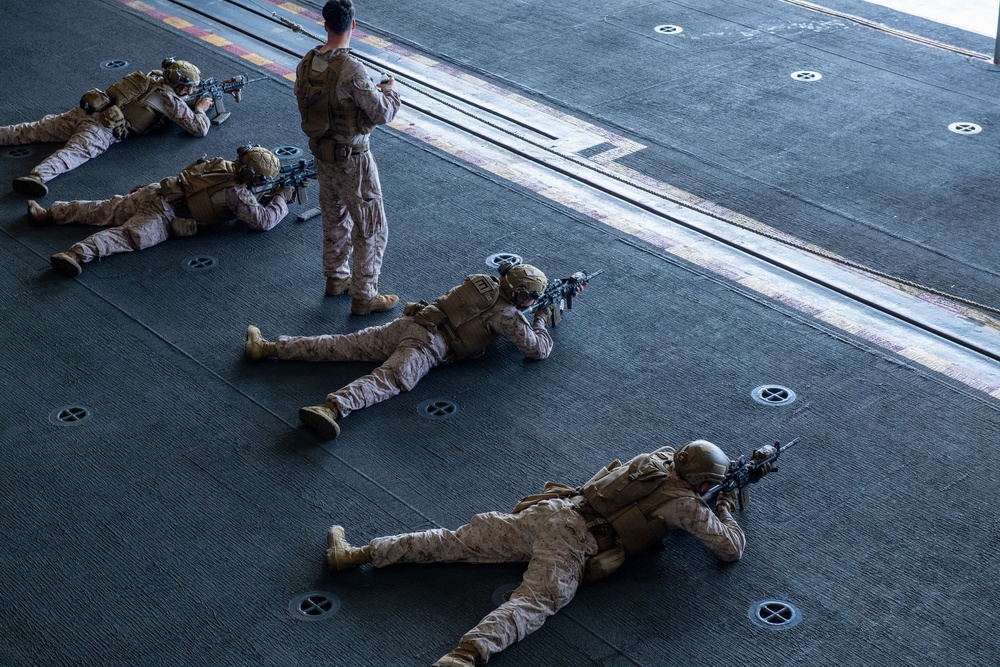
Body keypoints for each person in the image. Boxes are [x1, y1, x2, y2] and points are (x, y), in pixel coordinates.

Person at [324, 439, 775, 667]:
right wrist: (726, 505)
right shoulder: (686, 505)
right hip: (574, 542)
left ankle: (358, 553)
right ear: (702, 483)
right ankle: (466, 656)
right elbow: (729, 549)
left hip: (555, 511)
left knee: (456, 541)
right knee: (534, 601)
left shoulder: (655, 459)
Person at [245, 262, 574, 440]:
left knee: (342, 344)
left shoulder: (481, 282)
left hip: (413, 323)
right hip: (429, 347)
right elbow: (537, 350)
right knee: (386, 380)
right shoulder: (511, 316)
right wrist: (542, 318)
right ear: (521, 297)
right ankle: (332, 408)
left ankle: (270, 347)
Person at [29, 145, 296, 277]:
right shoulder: (238, 193)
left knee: (102, 209)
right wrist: (280, 198)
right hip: (166, 215)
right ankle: (76, 254)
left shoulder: (222, 164)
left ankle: (49, 213)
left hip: (156, 191)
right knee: (125, 237)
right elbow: (261, 221)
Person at [294, 0, 401, 315]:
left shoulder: (307, 62)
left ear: (324, 24)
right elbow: (381, 113)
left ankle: (336, 278)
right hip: (354, 159)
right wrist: (391, 90)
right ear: (353, 26)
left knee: (334, 217)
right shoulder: (352, 68)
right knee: (371, 226)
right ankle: (364, 296)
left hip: (323, 156)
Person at [2, 58, 215, 198]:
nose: (192, 90)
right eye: (190, 87)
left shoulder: (152, 77)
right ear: (180, 85)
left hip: (88, 110)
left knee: (33, 129)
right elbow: (198, 128)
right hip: (103, 128)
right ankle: (36, 177)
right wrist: (201, 108)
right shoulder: (169, 99)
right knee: (73, 154)